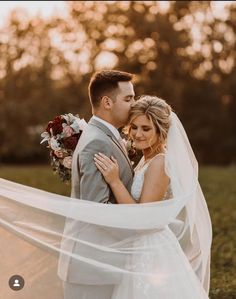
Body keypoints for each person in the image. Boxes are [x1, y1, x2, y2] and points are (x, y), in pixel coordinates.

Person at [94, 95, 212, 298]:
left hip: (151, 250)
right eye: (134, 127)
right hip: (139, 247)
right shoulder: (146, 159)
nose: (137, 134)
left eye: (146, 128)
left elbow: (142, 221)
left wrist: (115, 181)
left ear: (161, 131)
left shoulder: (159, 163)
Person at [58, 69, 135, 299]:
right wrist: (141, 229)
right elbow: (97, 210)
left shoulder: (104, 135)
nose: (134, 104)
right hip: (92, 268)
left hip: (101, 264)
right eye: (128, 98)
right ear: (107, 102)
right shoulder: (97, 142)